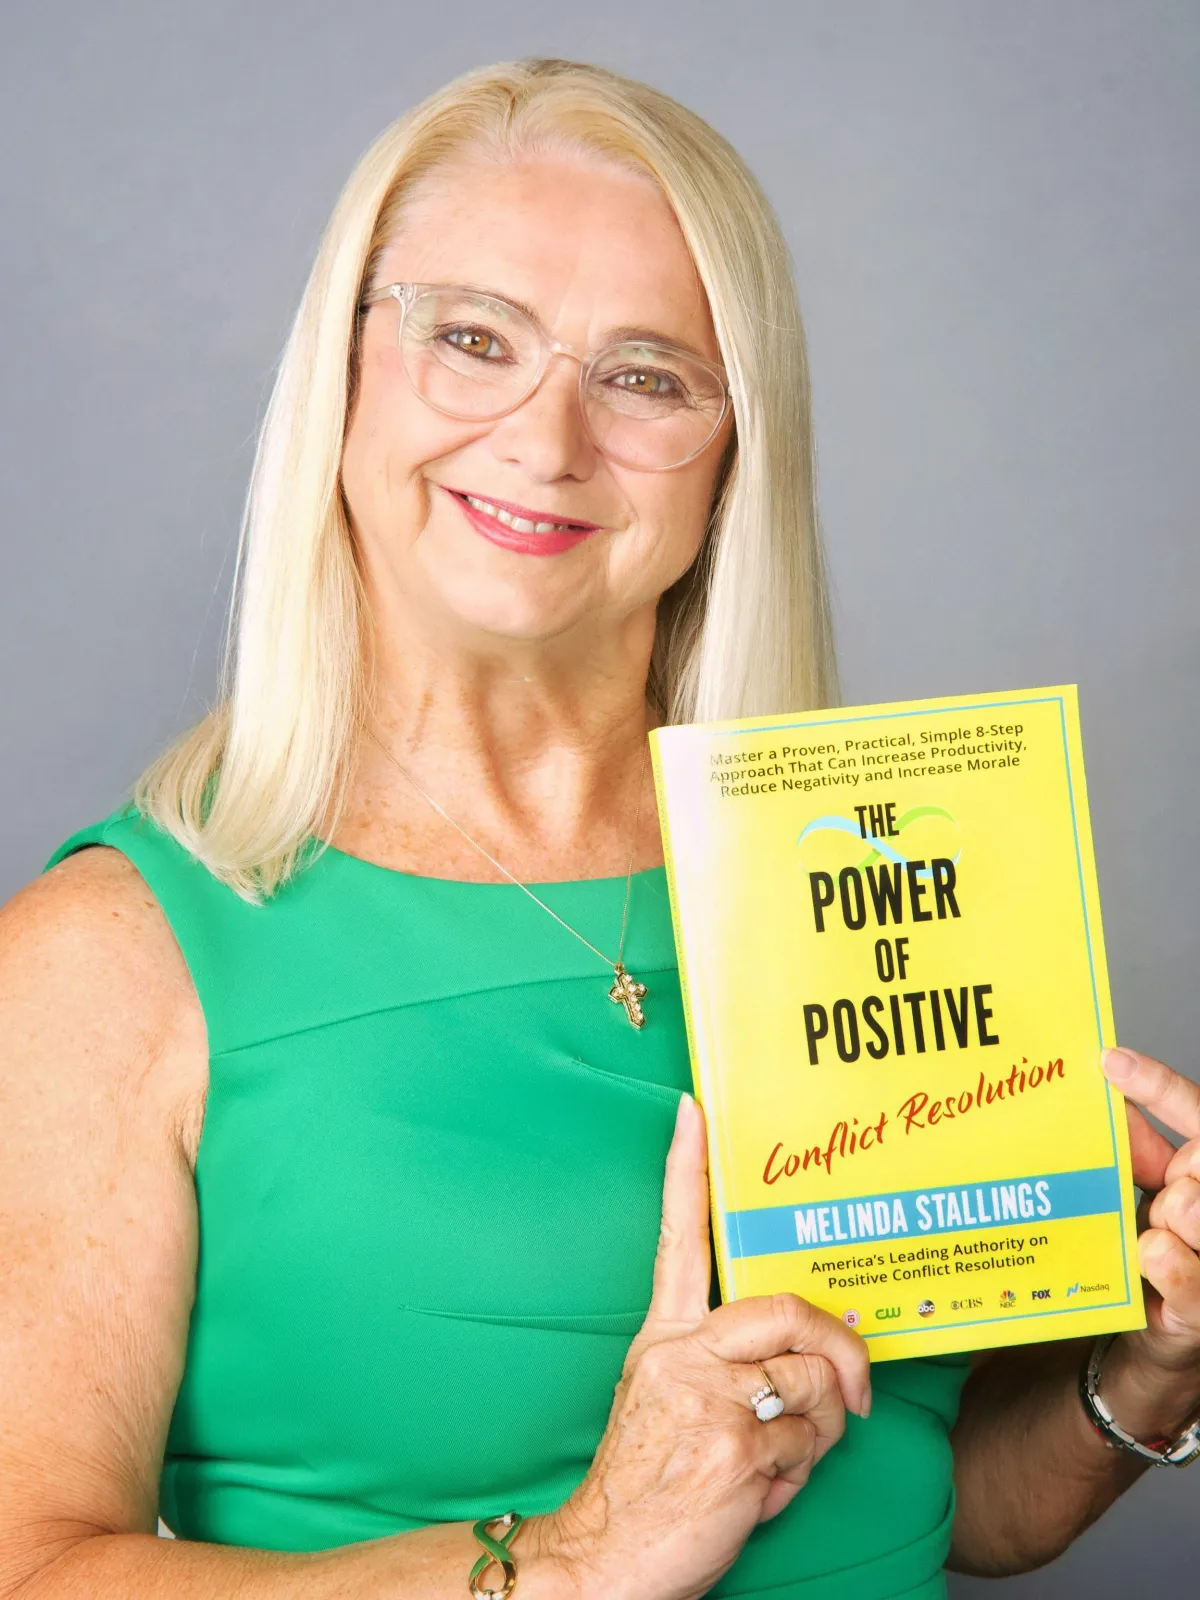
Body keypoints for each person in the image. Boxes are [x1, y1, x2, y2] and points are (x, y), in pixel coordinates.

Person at [1, 56, 1198, 1600]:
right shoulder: (108, 961)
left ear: (733, 448)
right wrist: (570, 1565)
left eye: (645, 375)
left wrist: (1154, 1371)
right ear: (344, 373)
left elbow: (934, 1500)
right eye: (473, 339)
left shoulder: (871, 879)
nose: (547, 440)